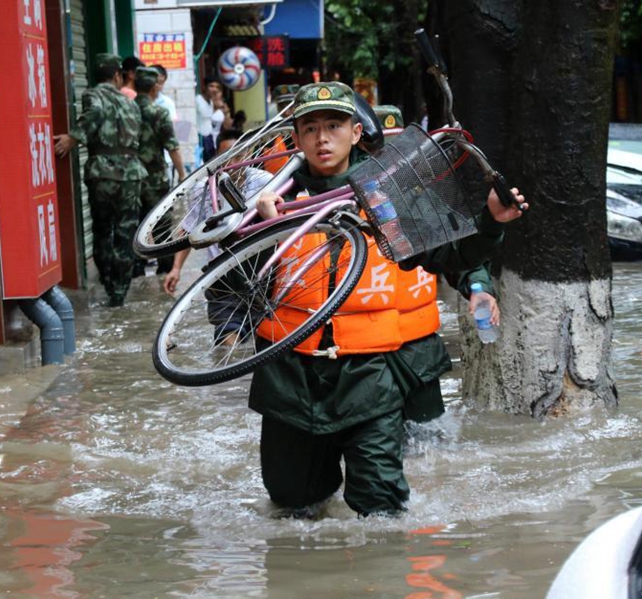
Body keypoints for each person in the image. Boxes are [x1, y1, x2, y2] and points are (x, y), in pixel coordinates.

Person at [251, 82, 526, 517]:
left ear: (357, 132)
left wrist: (489, 227)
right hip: (292, 372)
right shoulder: (270, 200)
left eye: (335, 126)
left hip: (376, 367)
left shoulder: (390, 199)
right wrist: (269, 229)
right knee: (292, 502)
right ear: (297, 138)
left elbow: (449, 253)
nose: (323, 138)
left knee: (380, 503)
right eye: (312, 128)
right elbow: (231, 287)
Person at [54, 53, 147, 307]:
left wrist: (73, 138)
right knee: (126, 232)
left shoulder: (93, 95)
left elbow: (94, 112)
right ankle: (120, 291)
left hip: (103, 173)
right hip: (131, 174)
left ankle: (109, 284)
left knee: (103, 230)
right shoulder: (130, 102)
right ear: (117, 75)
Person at [162, 128, 272, 296]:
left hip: (258, 270)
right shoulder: (202, 189)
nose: (231, 164)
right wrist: (176, 269)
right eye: (225, 156)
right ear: (217, 157)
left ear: (248, 155)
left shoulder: (266, 182)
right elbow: (188, 230)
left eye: (238, 155)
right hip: (219, 273)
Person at [134, 67, 186, 276]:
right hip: (155, 176)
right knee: (161, 224)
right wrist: (182, 174)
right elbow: (172, 146)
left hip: (130, 178)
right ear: (155, 87)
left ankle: (136, 269)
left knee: (134, 223)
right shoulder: (159, 112)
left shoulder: (127, 109)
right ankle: (166, 270)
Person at [196, 77, 223, 162]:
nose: (214, 89)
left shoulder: (211, 102)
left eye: (217, 87)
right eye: (211, 86)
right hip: (199, 139)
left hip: (209, 138)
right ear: (205, 87)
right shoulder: (197, 100)